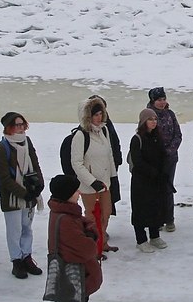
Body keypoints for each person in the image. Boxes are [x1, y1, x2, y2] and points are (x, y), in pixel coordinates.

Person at [47, 174, 104, 302]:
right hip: (74, 280)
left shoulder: (65, 214)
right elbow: (85, 249)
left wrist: (88, 229)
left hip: (78, 279)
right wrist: (92, 236)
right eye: (75, 191)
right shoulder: (66, 220)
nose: (79, 193)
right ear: (66, 195)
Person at [0, 111, 45, 280]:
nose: (21, 128)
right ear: (9, 128)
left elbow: (35, 164)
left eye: (23, 124)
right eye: (17, 125)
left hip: (30, 194)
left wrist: (39, 186)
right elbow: (4, 178)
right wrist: (24, 193)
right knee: (14, 231)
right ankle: (17, 260)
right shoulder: (2, 148)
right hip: (12, 198)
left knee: (26, 228)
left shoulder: (27, 142)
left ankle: (27, 256)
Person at [71, 98, 117, 258]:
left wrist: (113, 176)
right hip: (89, 185)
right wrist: (92, 181)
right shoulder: (80, 135)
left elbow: (109, 154)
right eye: (94, 114)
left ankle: (102, 242)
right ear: (87, 116)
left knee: (106, 212)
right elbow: (76, 163)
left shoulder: (103, 131)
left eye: (100, 114)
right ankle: (93, 248)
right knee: (91, 217)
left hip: (105, 182)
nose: (98, 117)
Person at [128, 108, 170, 253]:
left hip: (156, 181)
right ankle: (141, 240)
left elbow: (164, 156)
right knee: (140, 209)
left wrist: (164, 171)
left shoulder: (158, 137)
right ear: (143, 122)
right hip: (141, 181)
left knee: (156, 208)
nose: (153, 122)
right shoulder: (137, 139)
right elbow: (137, 161)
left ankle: (154, 236)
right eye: (150, 119)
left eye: (155, 119)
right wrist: (152, 172)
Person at [86, 95, 124, 249]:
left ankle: (102, 237)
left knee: (106, 208)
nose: (100, 115)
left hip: (108, 172)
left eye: (101, 110)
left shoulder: (107, 127)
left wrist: (116, 164)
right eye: (96, 112)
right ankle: (94, 239)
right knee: (93, 210)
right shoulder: (84, 131)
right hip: (92, 177)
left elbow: (114, 145)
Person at [148, 87, 183, 233]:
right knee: (155, 189)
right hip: (154, 160)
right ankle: (157, 220)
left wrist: (169, 151)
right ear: (153, 101)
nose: (162, 102)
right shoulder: (148, 115)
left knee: (168, 188)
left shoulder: (170, 114)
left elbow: (178, 135)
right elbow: (146, 136)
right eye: (159, 100)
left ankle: (169, 219)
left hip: (170, 158)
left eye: (164, 99)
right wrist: (157, 154)